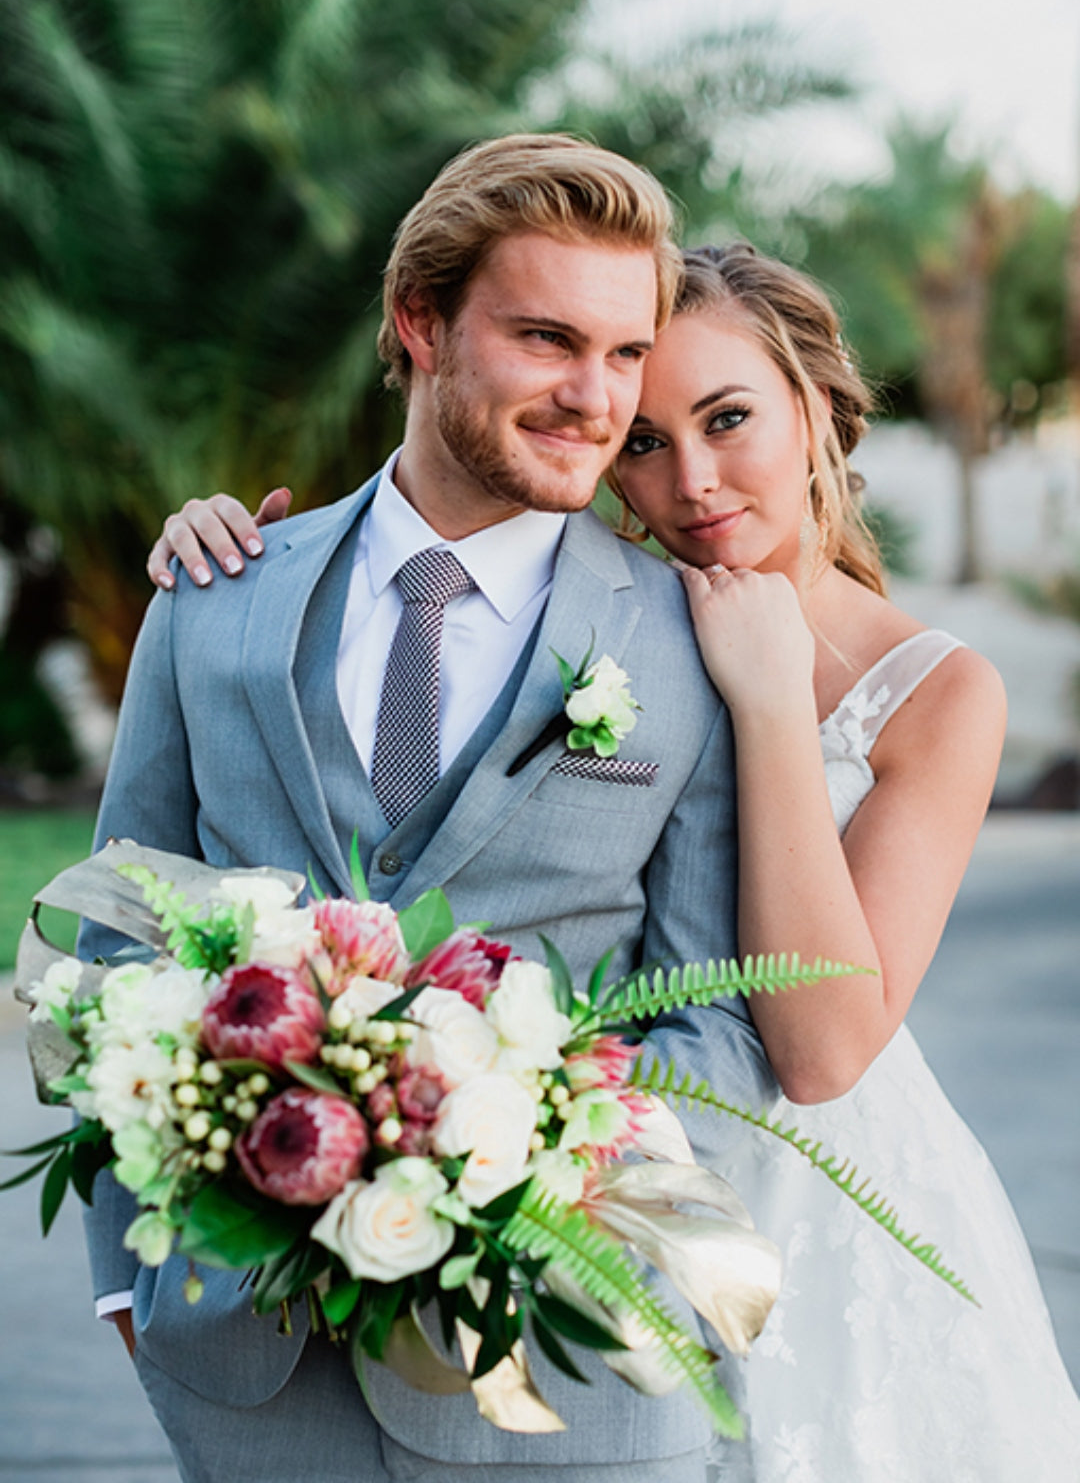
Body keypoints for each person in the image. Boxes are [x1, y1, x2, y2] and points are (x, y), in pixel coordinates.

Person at [158, 241, 1080, 1481]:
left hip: (810, 1200)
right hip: (573, 1186)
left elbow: (819, 1047)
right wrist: (251, 562)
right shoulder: (612, 615)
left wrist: (765, 703)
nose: (693, 480)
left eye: (730, 417)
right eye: (644, 442)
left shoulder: (936, 689)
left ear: (814, 407)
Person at [80, 133, 769, 1483]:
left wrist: (545, 1162)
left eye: (626, 354)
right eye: (547, 339)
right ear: (421, 323)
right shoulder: (215, 594)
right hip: (248, 1372)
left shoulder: (695, 644)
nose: (595, 398)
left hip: (580, 1369)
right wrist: (128, 1286)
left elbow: (722, 1012)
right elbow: (113, 948)